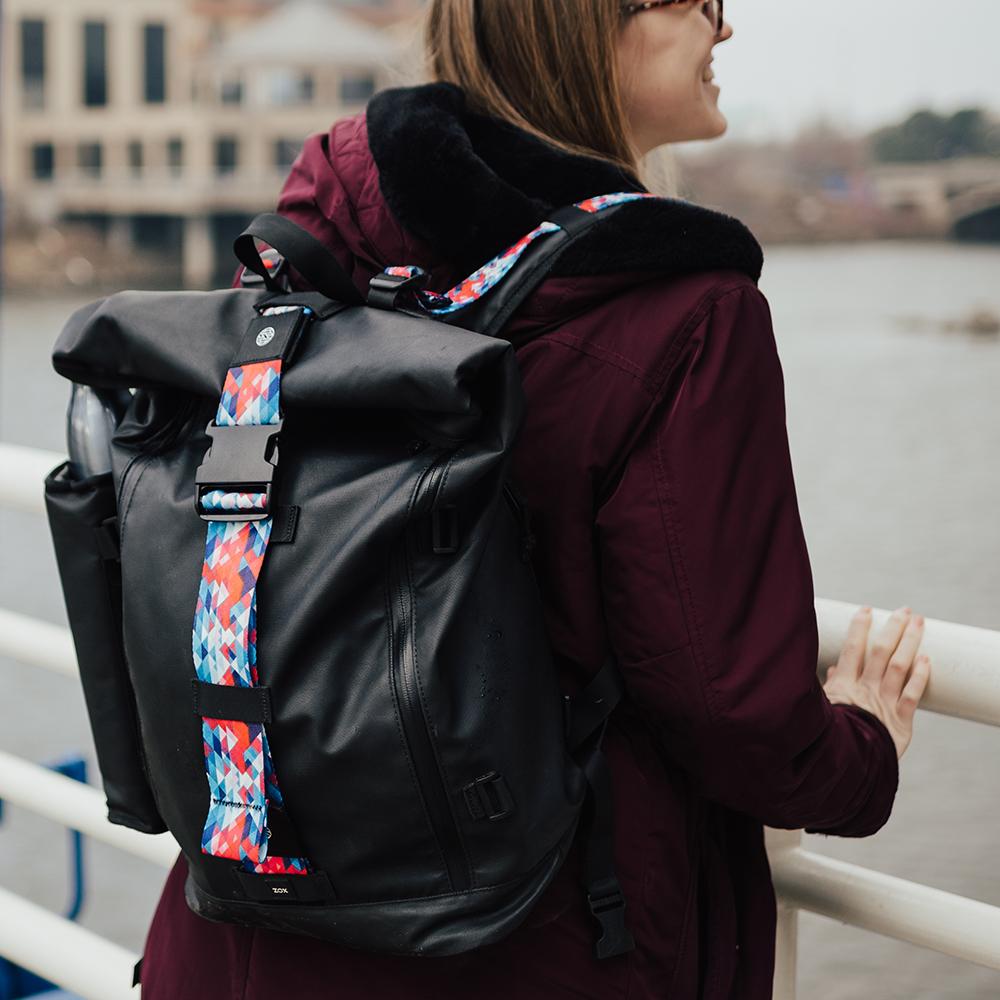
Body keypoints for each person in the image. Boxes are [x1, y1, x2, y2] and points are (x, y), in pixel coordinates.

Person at [140, 1, 931, 997]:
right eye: (699, 1)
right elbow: (731, 710)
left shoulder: (323, 237)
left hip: (243, 933)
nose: (723, 30)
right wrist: (860, 745)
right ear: (587, 23)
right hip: (526, 945)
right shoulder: (687, 314)